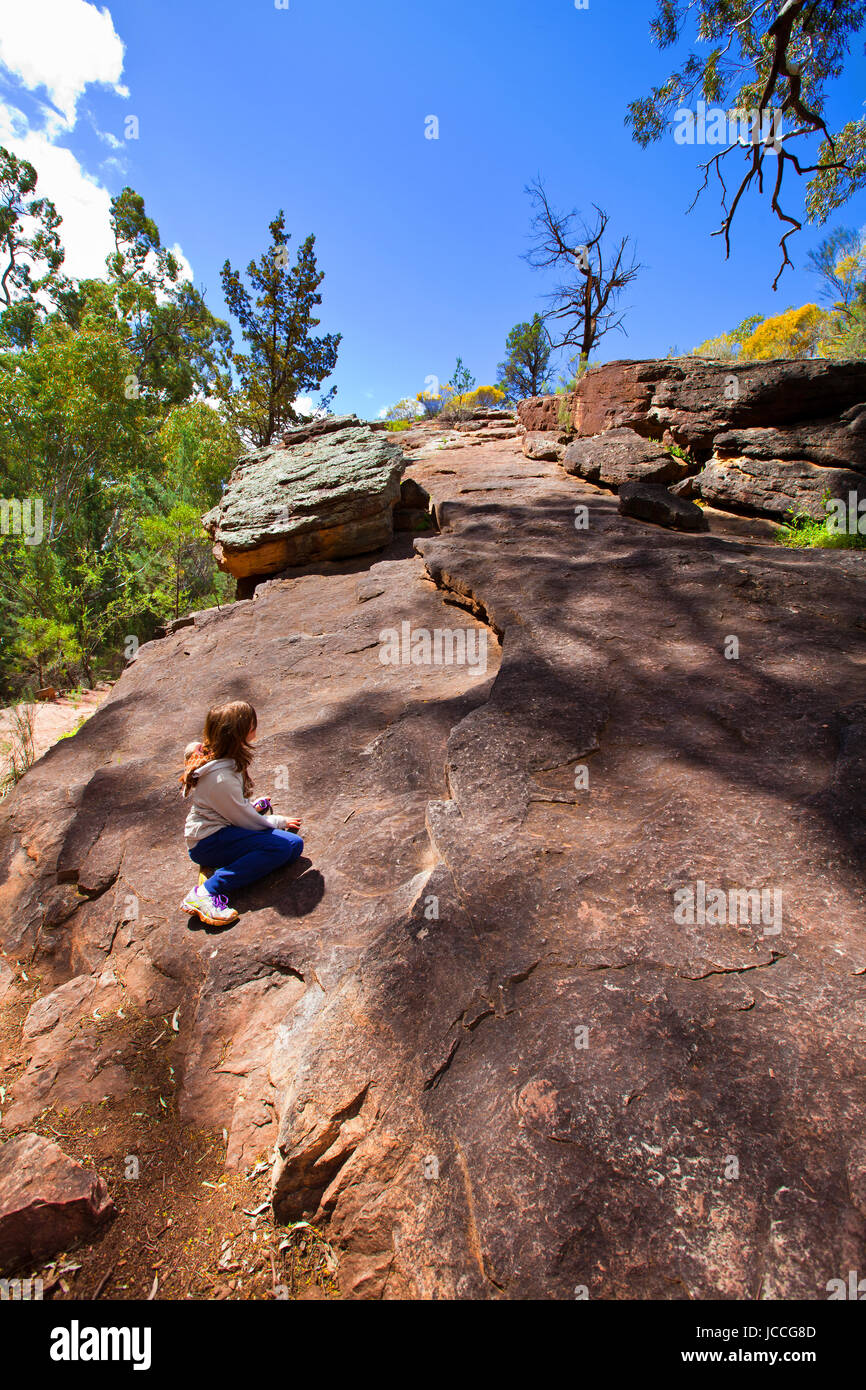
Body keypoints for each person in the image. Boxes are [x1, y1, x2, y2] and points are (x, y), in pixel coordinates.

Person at [179, 700, 303, 926]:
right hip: (208, 841)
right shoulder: (221, 778)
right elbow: (246, 821)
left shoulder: (220, 758)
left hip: (221, 828)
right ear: (239, 733)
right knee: (283, 846)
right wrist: (278, 821)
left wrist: (246, 806)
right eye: (251, 724)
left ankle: (225, 867)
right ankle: (206, 892)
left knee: (293, 847)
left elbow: (232, 808)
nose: (255, 727)